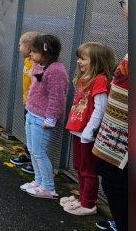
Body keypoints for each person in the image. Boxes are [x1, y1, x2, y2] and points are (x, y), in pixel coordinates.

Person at [60, 42, 115, 216]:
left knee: (88, 170)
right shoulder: (84, 78)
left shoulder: (100, 80)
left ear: (96, 61)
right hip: (79, 130)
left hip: (87, 133)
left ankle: (88, 203)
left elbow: (101, 107)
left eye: (83, 58)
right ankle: (81, 198)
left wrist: (89, 130)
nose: (79, 61)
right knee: (78, 166)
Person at [92, 0, 129, 231]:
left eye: (123, 4)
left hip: (127, 143)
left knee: (118, 185)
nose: (123, 9)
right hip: (118, 140)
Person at [20, 34, 69, 199]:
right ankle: (38, 181)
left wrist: (51, 118)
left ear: (46, 52)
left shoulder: (56, 70)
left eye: (34, 52)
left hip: (42, 118)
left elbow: (57, 97)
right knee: (33, 151)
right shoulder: (38, 65)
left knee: (40, 152)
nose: (31, 54)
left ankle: (48, 187)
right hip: (32, 113)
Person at [10, 31, 43, 173]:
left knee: (35, 133)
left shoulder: (38, 65)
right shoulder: (27, 61)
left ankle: (35, 161)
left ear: (29, 47)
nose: (18, 48)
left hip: (36, 106)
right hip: (27, 102)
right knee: (28, 129)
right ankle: (28, 154)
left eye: (20, 45)